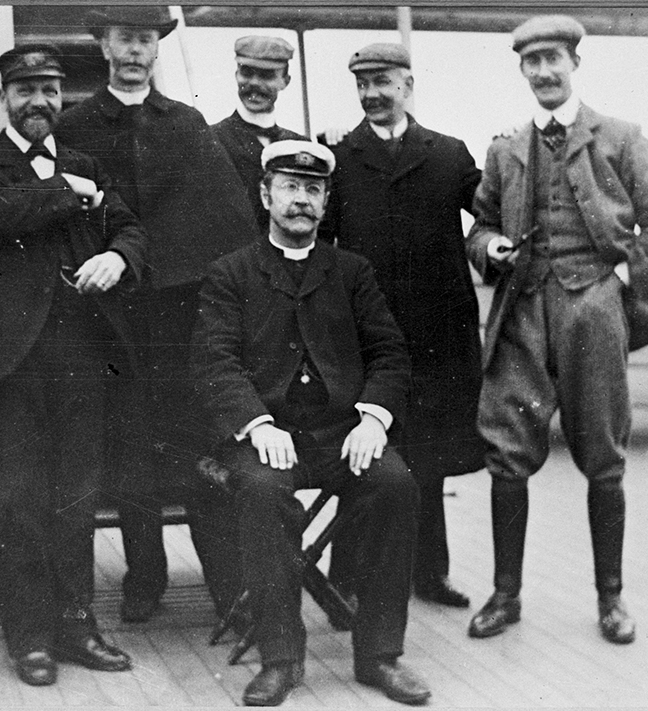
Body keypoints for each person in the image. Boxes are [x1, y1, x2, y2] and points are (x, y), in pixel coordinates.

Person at [465, 15, 648, 644]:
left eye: (553, 60)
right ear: (522, 71)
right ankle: (506, 597)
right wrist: (493, 246)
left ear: (574, 64)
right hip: (523, 312)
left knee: (603, 454)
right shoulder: (505, 149)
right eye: (531, 64)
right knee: (507, 453)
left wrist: (617, 282)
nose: (543, 73)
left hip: (593, 309)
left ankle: (610, 601)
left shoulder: (620, 137)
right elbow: (478, 226)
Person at [192, 140, 431, 707]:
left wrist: (373, 419)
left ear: (326, 203)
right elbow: (214, 361)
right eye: (290, 187)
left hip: (340, 434)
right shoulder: (232, 273)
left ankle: (378, 655)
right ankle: (281, 658)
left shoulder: (350, 271)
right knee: (260, 491)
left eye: (313, 190)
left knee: (395, 485)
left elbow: (389, 353)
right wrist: (256, 423)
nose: (301, 200)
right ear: (266, 194)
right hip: (267, 438)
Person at [0, 45, 147, 685]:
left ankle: (78, 626)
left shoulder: (89, 167)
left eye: (51, 90)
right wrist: (72, 192)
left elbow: (132, 228)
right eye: (26, 89)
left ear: (64, 98)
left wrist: (119, 257)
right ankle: (30, 639)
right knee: (19, 502)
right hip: (7, 368)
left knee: (77, 501)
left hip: (82, 361)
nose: (40, 102)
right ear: (3, 96)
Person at [55, 6, 258, 624]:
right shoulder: (77, 126)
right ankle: (146, 577)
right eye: (125, 38)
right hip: (110, 321)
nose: (136, 50)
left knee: (196, 445)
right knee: (129, 451)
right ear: (103, 44)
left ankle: (225, 580)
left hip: (179, 319)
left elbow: (227, 224)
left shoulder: (188, 124)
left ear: (156, 48)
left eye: (146, 39)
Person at [320, 42, 485, 609]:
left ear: (408, 85)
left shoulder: (449, 154)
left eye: (382, 82)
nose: (371, 94)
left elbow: (494, 212)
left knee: (431, 457)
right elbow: (323, 249)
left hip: (438, 337)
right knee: (361, 452)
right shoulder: (340, 159)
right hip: (366, 337)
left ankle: (428, 574)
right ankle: (344, 572)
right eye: (362, 84)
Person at [212, 35, 306, 234]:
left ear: (285, 81)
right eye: (247, 73)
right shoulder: (210, 139)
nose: (254, 83)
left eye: (266, 75)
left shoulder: (300, 145)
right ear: (236, 74)